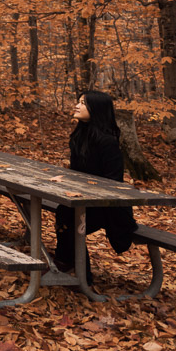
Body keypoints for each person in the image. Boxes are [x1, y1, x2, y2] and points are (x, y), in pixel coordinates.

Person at [53, 90, 137, 281]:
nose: (76, 105)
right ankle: (66, 263)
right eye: (78, 101)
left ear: (96, 109)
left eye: (82, 103)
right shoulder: (79, 137)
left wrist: (77, 183)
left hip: (108, 207)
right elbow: (79, 173)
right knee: (64, 213)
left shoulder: (107, 142)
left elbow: (112, 182)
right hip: (84, 200)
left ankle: (82, 275)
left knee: (69, 217)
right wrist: (67, 178)